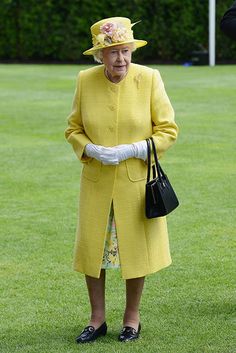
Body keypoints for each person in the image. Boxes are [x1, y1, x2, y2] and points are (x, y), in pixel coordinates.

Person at [65, 16, 178, 344]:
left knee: (135, 251)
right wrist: (90, 150)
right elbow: (73, 128)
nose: (121, 60)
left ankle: (132, 317)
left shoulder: (150, 78)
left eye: (126, 51)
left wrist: (134, 148)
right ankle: (96, 319)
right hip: (97, 182)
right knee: (93, 251)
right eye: (113, 53)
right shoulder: (85, 80)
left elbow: (168, 130)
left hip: (135, 182)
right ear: (100, 56)